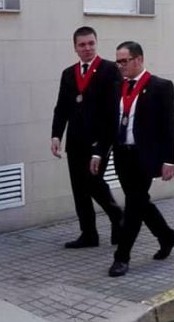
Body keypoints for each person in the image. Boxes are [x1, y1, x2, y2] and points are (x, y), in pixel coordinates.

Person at [90, 41, 174, 277]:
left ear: (138, 59)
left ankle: (121, 257)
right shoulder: (116, 87)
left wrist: (170, 160)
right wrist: (99, 151)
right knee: (139, 201)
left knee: (132, 207)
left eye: (124, 61)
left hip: (145, 157)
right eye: (118, 61)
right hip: (122, 155)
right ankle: (167, 236)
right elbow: (107, 125)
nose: (120, 66)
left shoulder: (160, 86)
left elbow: (171, 126)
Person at [51, 26, 124, 248]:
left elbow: (113, 112)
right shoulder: (68, 73)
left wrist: (101, 148)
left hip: (99, 140)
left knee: (93, 182)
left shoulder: (110, 70)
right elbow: (61, 108)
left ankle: (117, 215)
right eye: (82, 45)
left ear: (96, 43)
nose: (87, 48)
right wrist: (56, 135)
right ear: (75, 48)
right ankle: (89, 234)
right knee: (79, 189)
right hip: (75, 140)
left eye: (91, 43)